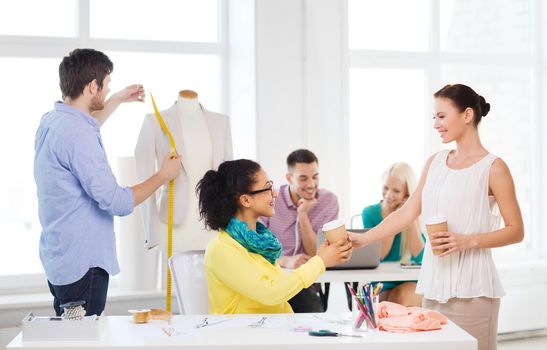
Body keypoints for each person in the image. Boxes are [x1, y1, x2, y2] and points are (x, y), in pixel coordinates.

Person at [350, 84, 524, 350]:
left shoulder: (494, 168)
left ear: (467, 115)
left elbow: (516, 230)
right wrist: (363, 241)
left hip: (473, 291)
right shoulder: (435, 162)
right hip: (432, 288)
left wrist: (467, 241)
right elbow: (408, 213)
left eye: (441, 116)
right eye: (434, 117)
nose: (435, 124)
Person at [34, 48, 182, 317]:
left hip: (60, 261)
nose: (107, 89)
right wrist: (163, 175)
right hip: (83, 267)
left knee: (68, 340)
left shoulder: (52, 122)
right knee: (82, 342)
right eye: (106, 85)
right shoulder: (77, 134)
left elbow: (84, 130)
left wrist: (115, 99)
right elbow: (117, 202)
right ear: (93, 86)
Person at [197, 159, 352, 314]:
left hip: (272, 329)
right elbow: (271, 293)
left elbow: (279, 294)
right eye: (267, 188)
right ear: (245, 200)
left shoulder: (259, 243)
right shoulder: (221, 249)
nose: (275, 193)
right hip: (243, 334)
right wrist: (321, 261)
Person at [135, 89, 233, 251]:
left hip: (213, 222)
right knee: (174, 275)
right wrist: (151, 232)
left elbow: (230, 178)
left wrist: (231, 224)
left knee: (212, 275)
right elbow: (143, 174)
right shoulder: (155, 122)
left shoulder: (221, 122)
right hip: (173, 224)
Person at [260, 149, 339, 312]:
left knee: (311, 308)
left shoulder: (328, 201)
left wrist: (303, 215)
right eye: (303, 178)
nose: (311, 185)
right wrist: (285, 260)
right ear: (289, 178)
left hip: (307, 280)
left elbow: (317, 253)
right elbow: (256, 246)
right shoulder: (271, 200)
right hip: (273, 277)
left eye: (315, 176)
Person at [361, 162, 425, 306]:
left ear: (407, 194)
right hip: (382, 280)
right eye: (385, 188)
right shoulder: (369, 213)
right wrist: (394, 217)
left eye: (396, 191)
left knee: (399, 297)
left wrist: (409, 216)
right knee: (387, 306)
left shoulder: (418, 214)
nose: (388, 195)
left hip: (409, 281)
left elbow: (420, 257)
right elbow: (379, 255)